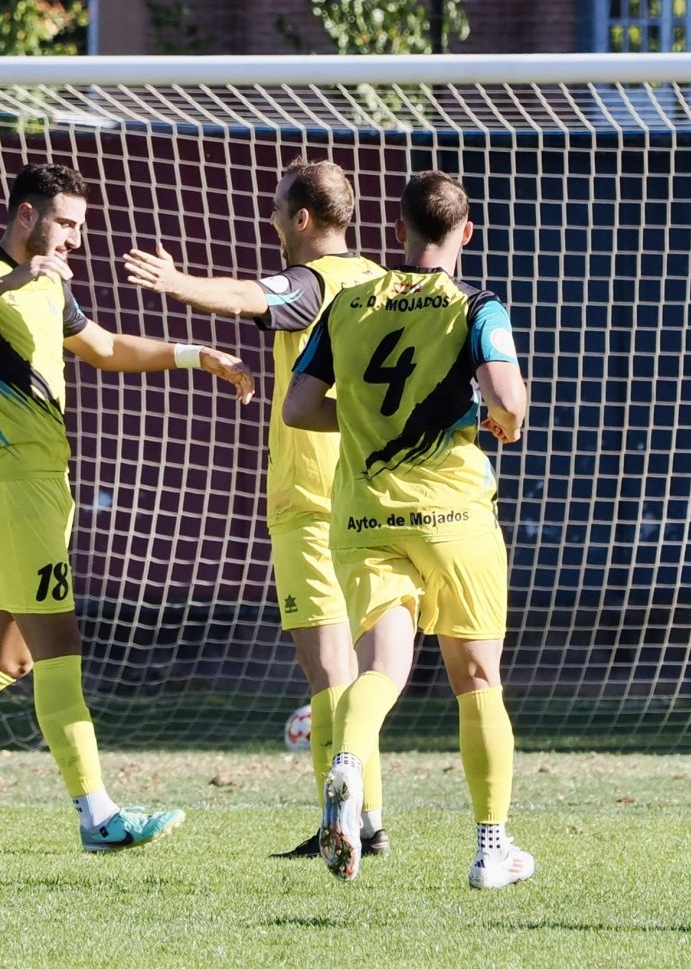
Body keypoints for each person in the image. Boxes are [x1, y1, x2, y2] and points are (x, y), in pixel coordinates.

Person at [0, 162, 255, 854]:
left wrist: (196, 354)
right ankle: (98, 816)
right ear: (27, 216)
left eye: (80, 227)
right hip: (10, 484)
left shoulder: (52, 285)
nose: (75, 240)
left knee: (6, 660)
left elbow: (106, 347)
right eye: (66, 223)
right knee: (60, 648)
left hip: (41, 485)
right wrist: (7, 280)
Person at [122, 159, 390, 860]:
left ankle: (345, 823)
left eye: (276, 210)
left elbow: (251, 295)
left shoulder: (314, 281)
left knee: (329, 674)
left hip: (311, 498)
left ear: (303, 220)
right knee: (360, 675)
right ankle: (372, 821)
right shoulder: (376, 279)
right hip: (372, 494)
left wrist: (175, 282)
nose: (269, 219)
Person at [283, 168, 532, 887]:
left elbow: (299, 408)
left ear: (397, 232)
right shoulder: (474, 306)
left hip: (363, 516)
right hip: (454, 518)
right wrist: (492, 418)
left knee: (381, 670)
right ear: (466, 232)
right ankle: (491, 849)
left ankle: (349, 771)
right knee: (477, 679)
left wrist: (364, 421)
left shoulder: (350, 303)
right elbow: (508, 403)